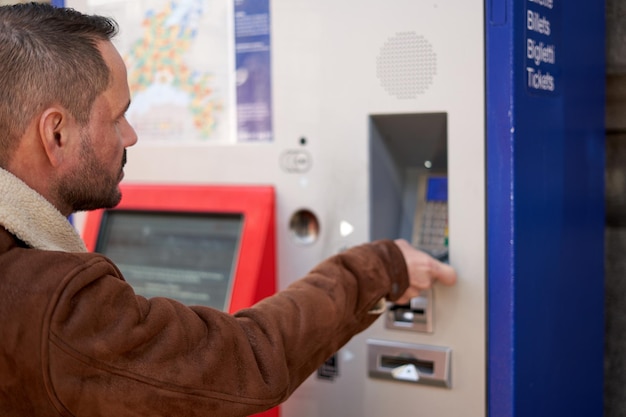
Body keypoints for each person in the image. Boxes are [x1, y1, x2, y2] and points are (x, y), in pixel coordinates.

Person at [0, 3, 457, 416]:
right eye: (117, 116)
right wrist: (381, 267)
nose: (131, 135)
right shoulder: (54, 306)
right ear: (55, 133)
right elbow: (252, 359)